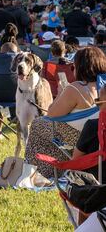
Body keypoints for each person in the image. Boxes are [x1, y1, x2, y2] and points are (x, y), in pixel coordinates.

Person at [26, 47, 106, 178]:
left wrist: (61, 92)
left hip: (80, 138)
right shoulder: (104, 86)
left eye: (73, 67)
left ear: (81, 67)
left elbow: (51, 114)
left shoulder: (76, 88)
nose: (73, 69)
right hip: (99, 137)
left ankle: (35, 172)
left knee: (37, 124)